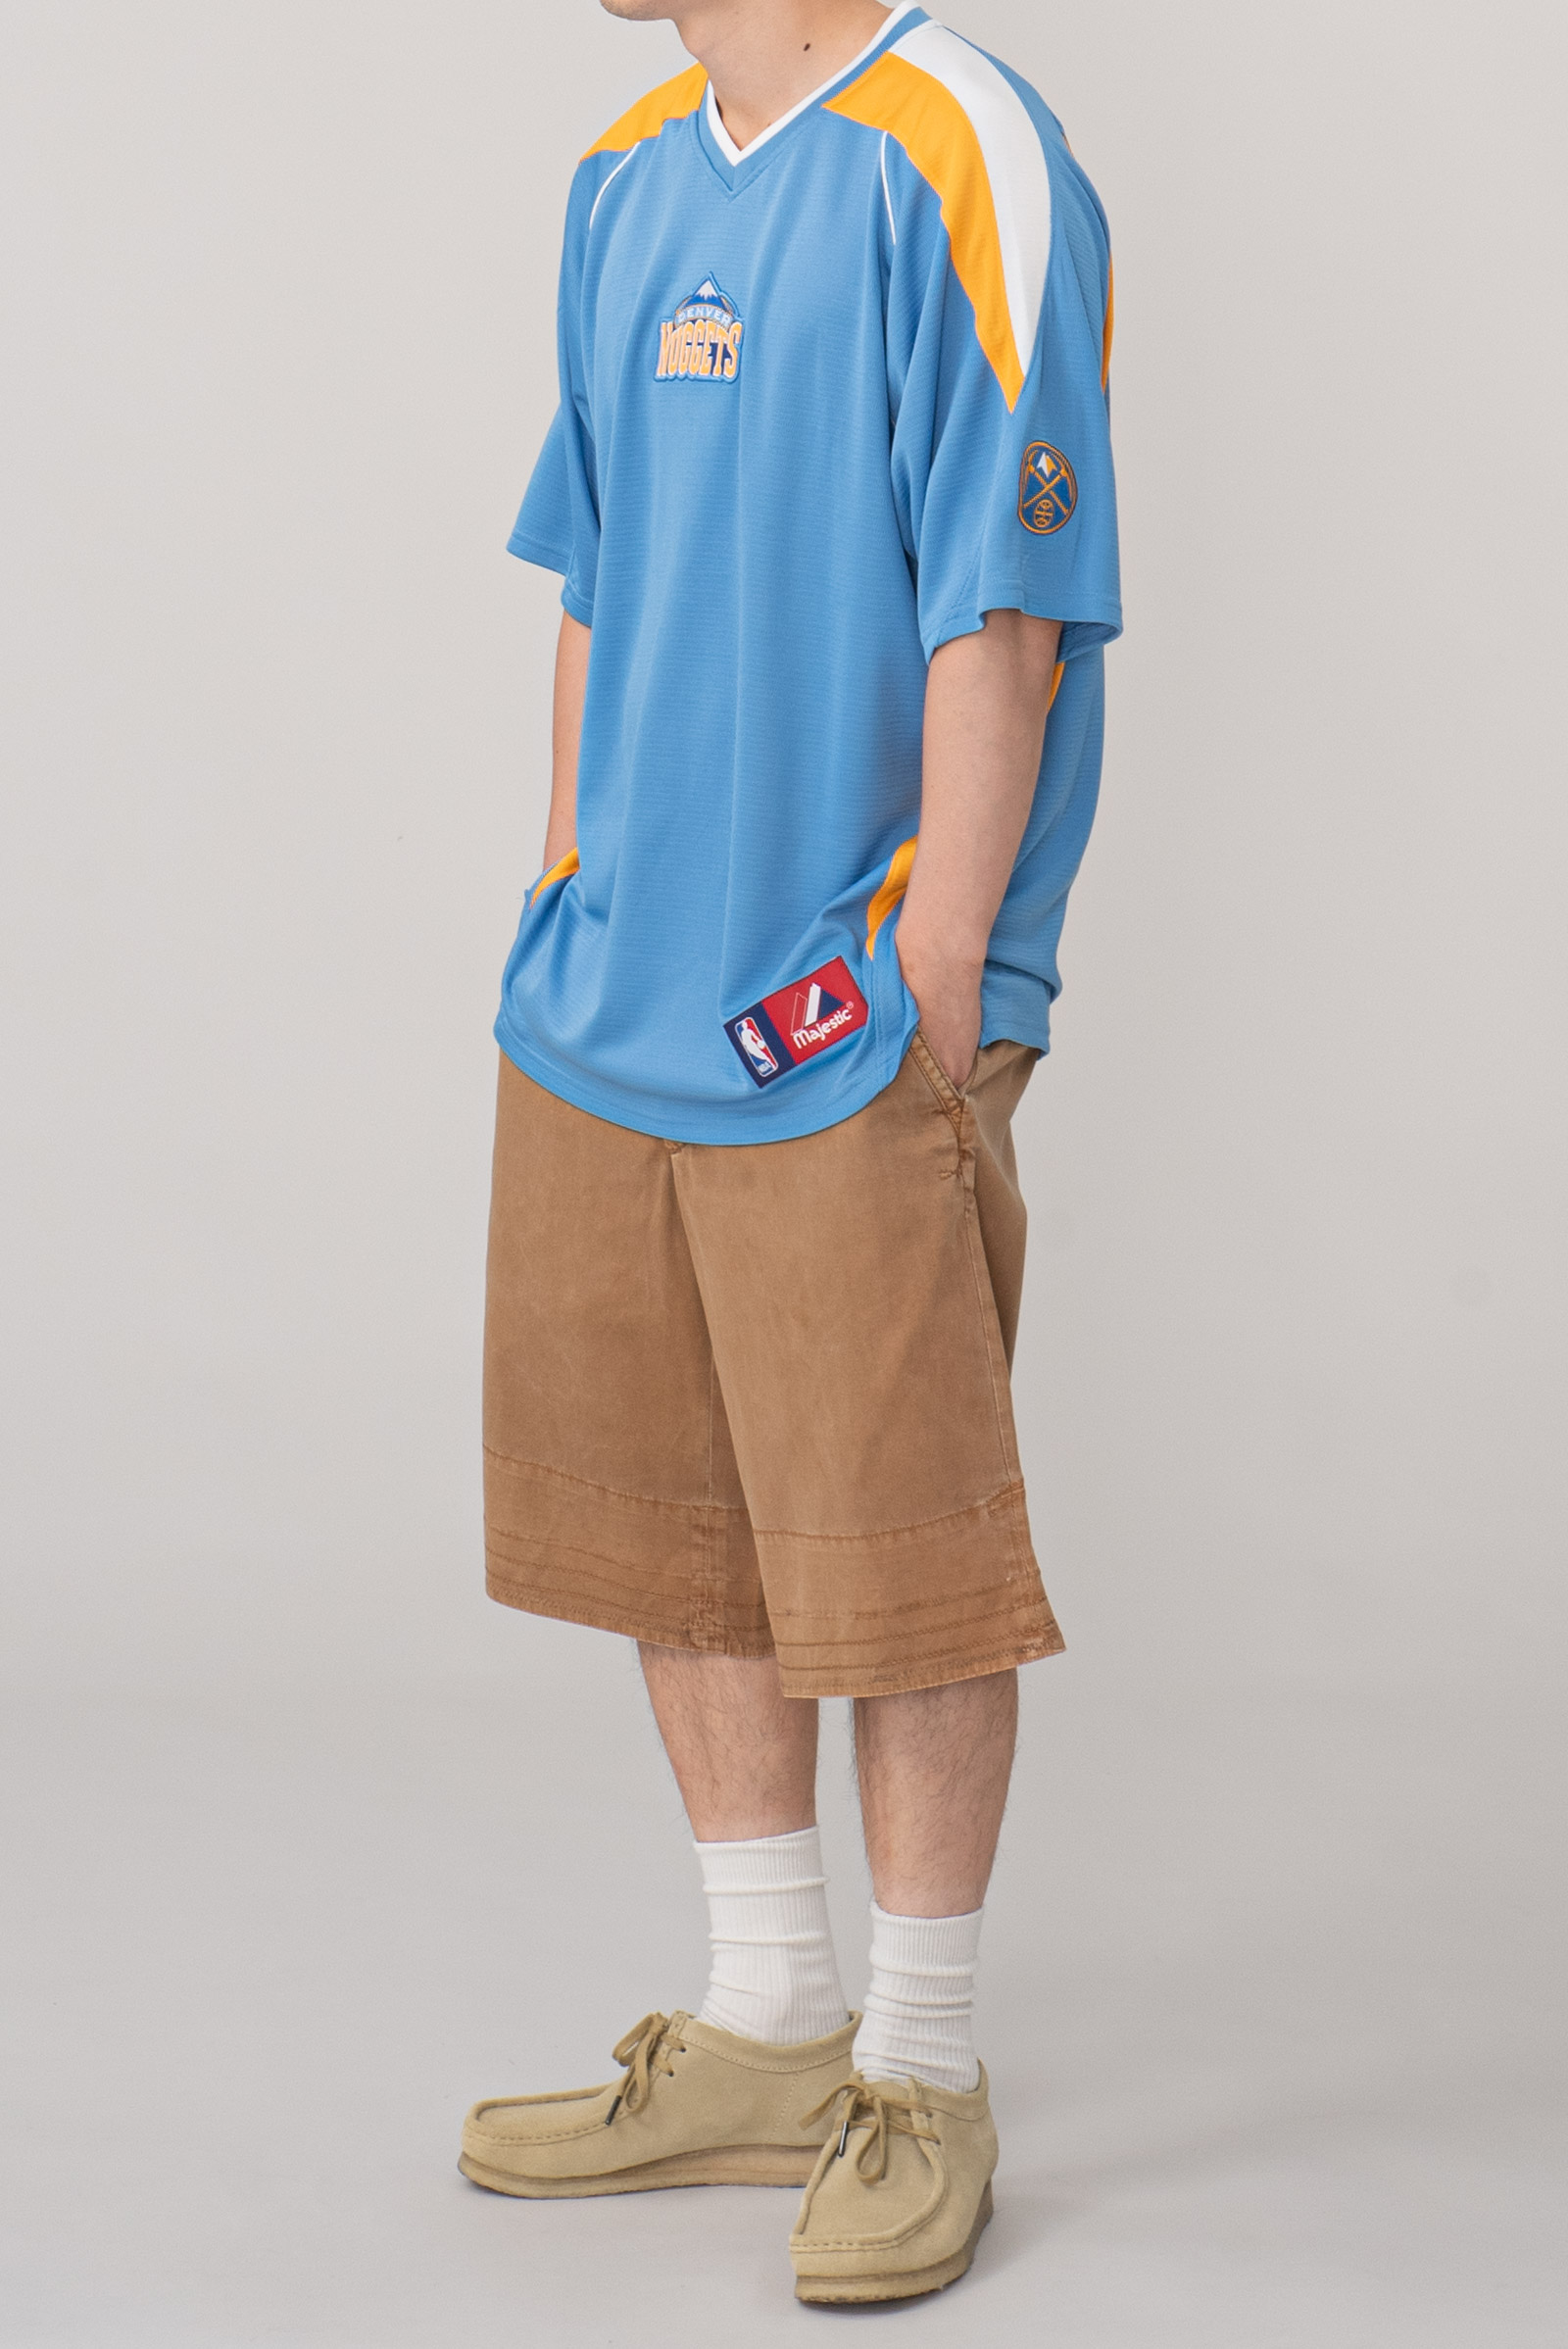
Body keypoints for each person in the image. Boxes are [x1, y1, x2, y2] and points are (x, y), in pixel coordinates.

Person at [460, 0, 1118, 2305]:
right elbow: (592, 572)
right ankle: (764, 2019)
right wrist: (566, 892)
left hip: (841, 1013)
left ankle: (919, 2065)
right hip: (614, 996)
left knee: (897, 1545)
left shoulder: (963, 150)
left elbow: (1006, 609)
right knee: (673, 1515)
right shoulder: (624, 171)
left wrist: (929, 984)